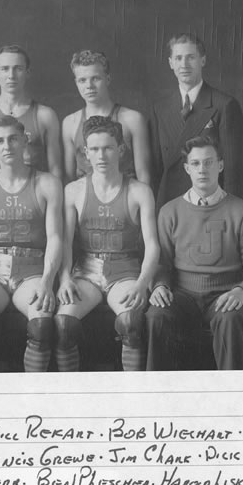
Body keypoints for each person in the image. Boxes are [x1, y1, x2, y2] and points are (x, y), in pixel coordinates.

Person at [146, 135, 243, 370]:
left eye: (209, 162)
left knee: (230, 319)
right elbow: (162, 264)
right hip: (182, 296)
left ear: (220, 165)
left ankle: (233, 402)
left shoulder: (242, 210)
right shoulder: (169, 211)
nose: (202, 169)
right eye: (195, 163)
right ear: (186, 169)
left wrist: (241, 290)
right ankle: (157, 398)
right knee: (155, 317)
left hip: (224, 294)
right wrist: (160, 285)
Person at [55, 117, 159, 372]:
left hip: (125, 270)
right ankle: (68, 398)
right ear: (86, 153)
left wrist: (142, 283)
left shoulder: (140, 191)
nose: (101, 155)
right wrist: (65, 278)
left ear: (121, 150)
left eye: (108, 148)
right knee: (63, 325)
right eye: (94, 149)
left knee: (131, 323)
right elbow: (65, 242)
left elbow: (153, 245)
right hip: (86, 271)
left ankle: (132, 398)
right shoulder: (74, 191)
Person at [0, 116, 63, 372]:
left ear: (24, 141)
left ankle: (31, 396)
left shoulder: (47, 183)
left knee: (41, 322)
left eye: (12, 139)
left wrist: (47, 281)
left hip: (31, 270)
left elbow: (55, 238)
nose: (7, 146)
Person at [150, 33, 243, 207]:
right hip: (170, 206)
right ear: (170, 63)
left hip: (210, 206)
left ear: (202, 60)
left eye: (191, 57)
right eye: (178, 58)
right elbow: (154, 169)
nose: (184, 65)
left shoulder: (224, 105)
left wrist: (228, 213)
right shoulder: (160, 109)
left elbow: (234, 171)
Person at [0, 45, 62, 182]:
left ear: (27, 72)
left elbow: (55, 168)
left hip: (34, 192)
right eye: (5, 69)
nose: (11, 76)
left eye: (18, 69)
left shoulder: (45, 115)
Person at [61, 49, 151, 184]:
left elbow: (144, 175)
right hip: (85, 201)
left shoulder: (132, 119)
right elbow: (69, 179)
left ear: (107, 79)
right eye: (82, 80)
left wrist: (143, 204)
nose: (89, 86)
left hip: (126, 200)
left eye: (95, 78)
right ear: (76, 83)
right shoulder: (70, 123)